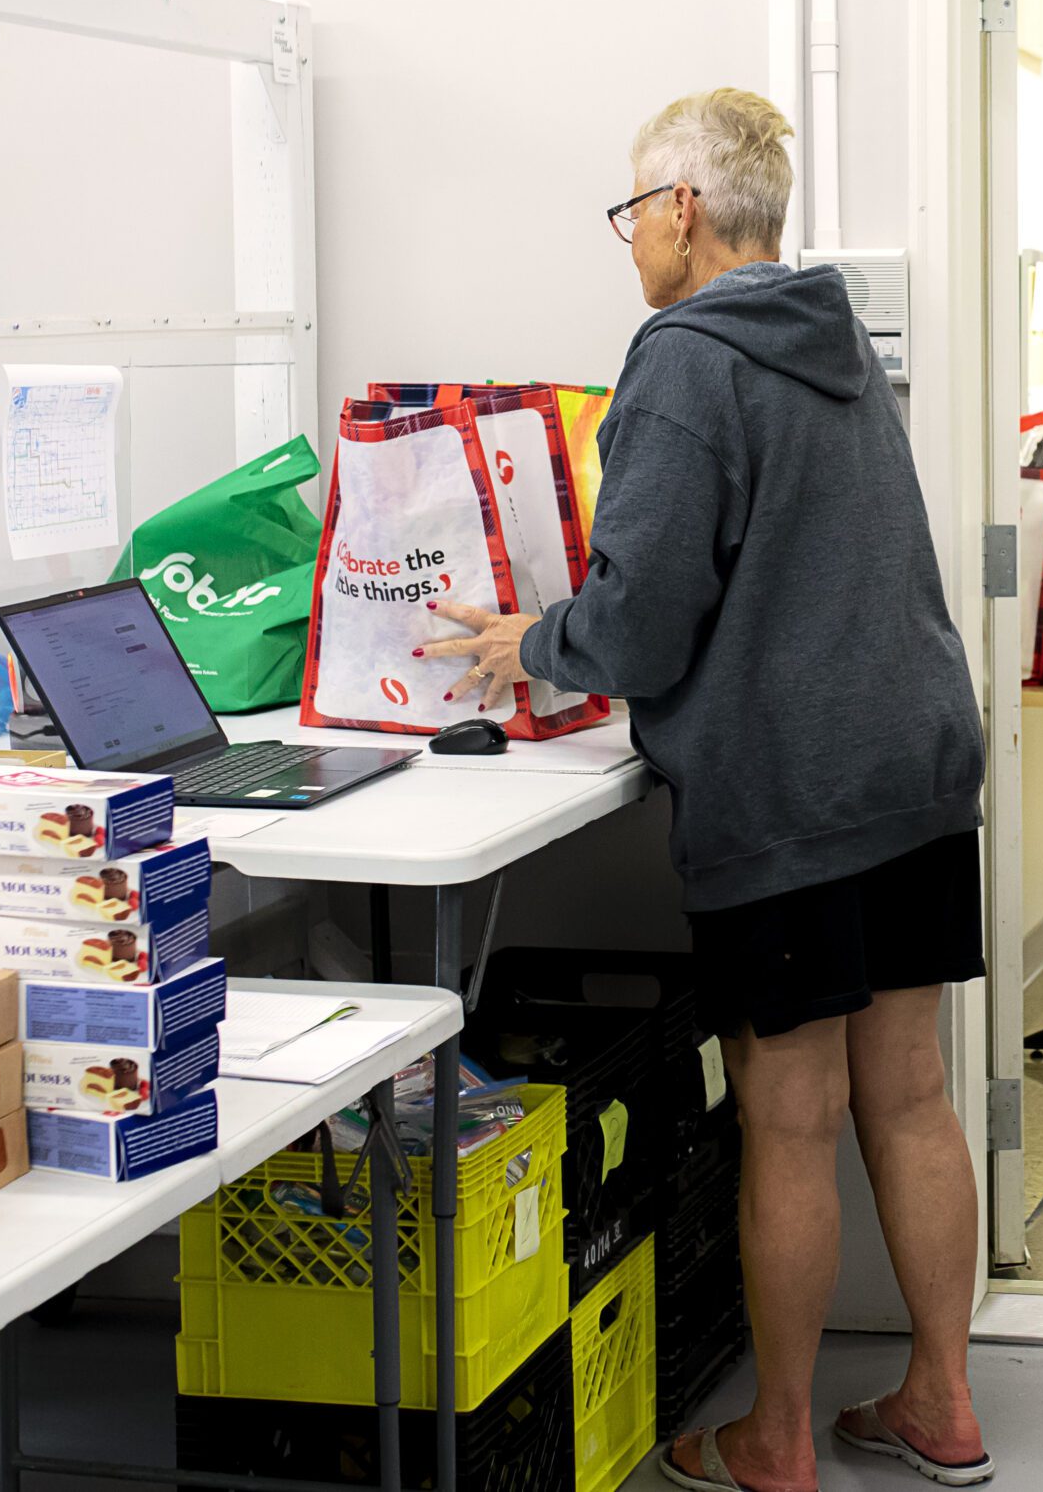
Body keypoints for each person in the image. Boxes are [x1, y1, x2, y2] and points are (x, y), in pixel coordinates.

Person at [422, 88, 995, 1492]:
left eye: (633, 210)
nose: (628, 239)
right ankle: (943, 1402)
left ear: (682, 210)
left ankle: (778, 1439)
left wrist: (529, 643)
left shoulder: (683, 360)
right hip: (912, 764)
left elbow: (639, 624)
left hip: (794, 791)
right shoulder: (830, 334)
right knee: (910, 1096)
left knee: (790, 1118)